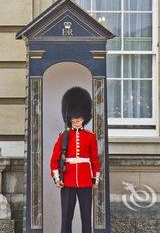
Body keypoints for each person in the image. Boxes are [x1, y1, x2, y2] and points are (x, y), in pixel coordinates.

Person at [50, 86, 100, 233]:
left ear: (84, 118)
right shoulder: (63, 136)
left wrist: (95, 179)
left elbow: (94, 159)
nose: (77, 120)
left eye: (79, 118)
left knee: (86, 217)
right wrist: (57, 178)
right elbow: (54, 159)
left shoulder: (90, 136)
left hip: (85, 181)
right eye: (74, 118)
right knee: (66, 217)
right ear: (69, 117)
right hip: (67, 180)